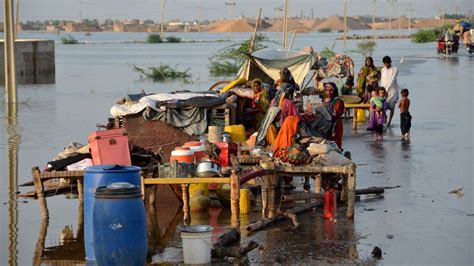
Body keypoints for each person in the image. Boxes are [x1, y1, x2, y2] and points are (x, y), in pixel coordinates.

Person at [321, 82, 345, 149]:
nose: (329, 92)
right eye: (327, 90)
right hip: (325, 124)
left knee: (336, 141)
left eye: (331, 90)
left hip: (336, 124)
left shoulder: (338, 101)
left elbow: (337, 113)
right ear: (325, 91)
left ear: (334, 91)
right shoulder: (323, 101)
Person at [380, 55, 399, 127]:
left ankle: (389, 122)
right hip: (384, 91)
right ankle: (384, 118)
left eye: (388, 63)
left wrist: (387, 90)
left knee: (391, 107)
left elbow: (392, 80)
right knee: (383, 106)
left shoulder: (394, 69)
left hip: (392, 91)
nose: (386, 65)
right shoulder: (382, 69)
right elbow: (382, 80)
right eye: (385, 63)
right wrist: (381, 90)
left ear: (390, 62)